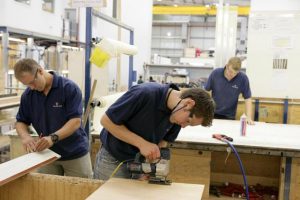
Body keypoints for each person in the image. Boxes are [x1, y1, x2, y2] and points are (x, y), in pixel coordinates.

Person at [93, 82, 215, 180]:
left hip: (137, 165)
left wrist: (150, 164)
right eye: (188, 121)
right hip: (112, 160)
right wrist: (142, 144)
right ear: (188, 103)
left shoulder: (177, 116)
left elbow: (164, 141)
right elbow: (106, 121)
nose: (183, 126)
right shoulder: (144, 93)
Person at [14, 58, 93, 178]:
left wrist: (52, 138)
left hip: (74, 153)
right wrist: (25, 137)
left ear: (40, 71)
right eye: (27, 85)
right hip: (47, 154)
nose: (31, 87)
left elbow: (75, 121)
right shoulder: (28, 95)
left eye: (32, 82)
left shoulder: (68, 88)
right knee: (49, 193)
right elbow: (21, 121)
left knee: (82, 192)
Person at [205, 57, 254, 124]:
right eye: (230, 72)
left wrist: (249, 117)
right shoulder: (215, 73)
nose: (232, 75)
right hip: (212, 113)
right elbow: (206, 92)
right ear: (226, 66)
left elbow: (248, 98)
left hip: (229, 116)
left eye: (235, 73)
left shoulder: (243, 78)